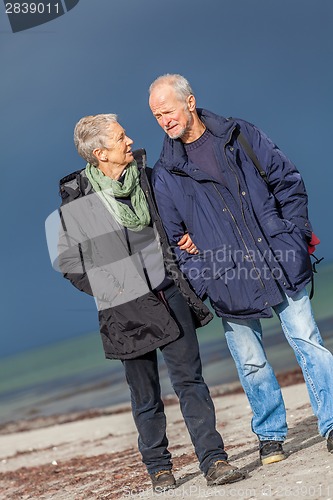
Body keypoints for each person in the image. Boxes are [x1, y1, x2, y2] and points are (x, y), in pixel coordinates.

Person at [148, 74, 333, 465]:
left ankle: (331, 422)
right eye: (156, 115)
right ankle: (270, 435)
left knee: (308, 341)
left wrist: (295, 236)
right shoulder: (166, 173)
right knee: (251, 361)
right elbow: (175, 241)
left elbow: (288, 181)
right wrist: (207, 279)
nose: (164, 120)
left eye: (167, 110)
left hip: (279, 258)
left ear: (190, 102)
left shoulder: (239, 133)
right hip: (227, 278)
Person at [55, 113, 245, 491]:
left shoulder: (149, 176)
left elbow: (179, 217)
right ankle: (159, 467)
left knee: (191, 382)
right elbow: (69, 263)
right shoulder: (78, 198)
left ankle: (214, 460)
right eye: (120, 137)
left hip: (168, 293)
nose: (129, 141)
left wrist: (188, 238)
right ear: (100, 153)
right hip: (123, 310)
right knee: (145, 396)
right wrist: (114, 287)